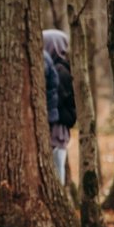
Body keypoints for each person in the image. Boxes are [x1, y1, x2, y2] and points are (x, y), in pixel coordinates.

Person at [43, 29, 76, 184]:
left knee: (57, 168)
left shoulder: (59, 70)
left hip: (58, 129)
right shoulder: (60, 67)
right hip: (57, 127)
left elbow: (58, 100)